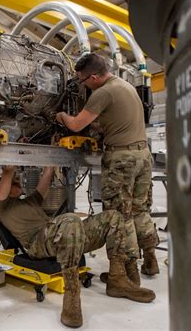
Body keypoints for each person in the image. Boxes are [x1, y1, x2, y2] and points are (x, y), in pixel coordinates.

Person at [0, 166, 155, 328]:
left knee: (114, 217)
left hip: (61, 234)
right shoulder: (1, 205)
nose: (18, 182)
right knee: (71, 220)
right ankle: (72, 294)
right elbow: (7, 174)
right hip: (37, 244)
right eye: (14, 182)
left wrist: (51, 157)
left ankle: (117, 279)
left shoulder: (31, 200)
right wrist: (9, 169)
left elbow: (47, 175)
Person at [56, 53, 160, 283]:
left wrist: (61, 115)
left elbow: (75, 125)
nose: (83, 85)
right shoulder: (125, 85)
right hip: (143, 155)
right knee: (140, 210)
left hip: (122, 159)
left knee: (119, 216)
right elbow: (113, 120)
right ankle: (151, 260)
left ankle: (127, 273)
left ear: (93, 77)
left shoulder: (102, 93)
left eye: (82, 81)